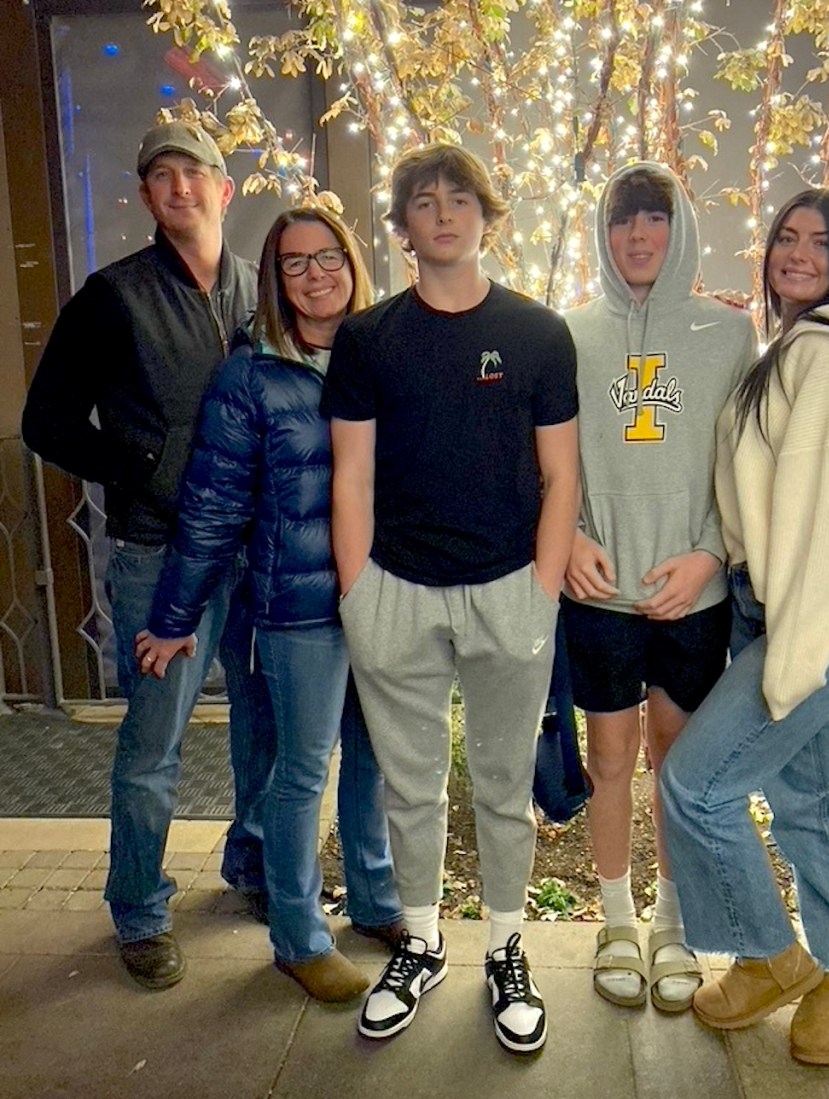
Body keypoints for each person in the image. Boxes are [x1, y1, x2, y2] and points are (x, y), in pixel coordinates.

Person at [323, 143, 579, 1053]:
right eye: (423, 201)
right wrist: (358, 591)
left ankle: (506, 945)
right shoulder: (368, 338)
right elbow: (350, 476)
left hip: (509, 590)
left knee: (507, 787)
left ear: (486, 215)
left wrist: (542, 592)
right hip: (394, 590)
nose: (442, 213)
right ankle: (422, 938)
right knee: (410, 783)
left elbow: (563, 475)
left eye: (459, 198)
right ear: (402, 226)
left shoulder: (542, 334)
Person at [21, 120, 273, 989]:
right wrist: (143, 463)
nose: (179, 188)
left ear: (224, 187)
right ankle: (138, 909)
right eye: (159, 175)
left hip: (257, 550)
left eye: (194, 172)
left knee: (260, 722)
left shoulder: (260, 291)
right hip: (156, 552)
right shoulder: (112, 296)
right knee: (155, 738)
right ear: (146, 198)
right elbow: (44, 422)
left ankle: (254, 865)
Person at [659, 188, 829, 1065]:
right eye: (784, 238)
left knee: (695, 784)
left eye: (818, 242)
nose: (796, 253)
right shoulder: (801, 346)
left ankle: (772, 956)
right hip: (781, 608)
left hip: (816, 616)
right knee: (811, 803)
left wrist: (792, 658)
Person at [135, 206, 384, 1001]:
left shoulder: (382, 353)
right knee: (300, 772)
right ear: (274, 279)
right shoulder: (251, 374)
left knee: (374, 763)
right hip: (297, 609)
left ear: (353, 262)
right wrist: (173, 619)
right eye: (294, 263)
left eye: (329, 258)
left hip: (382, 599)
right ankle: (299, 937)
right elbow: (210, 506)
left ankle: (376, 902)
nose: (316, 275)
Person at [562, 163, 755, 1012]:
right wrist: (564, 536)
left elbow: (747, 467)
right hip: (598, 594)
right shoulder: (566, 333)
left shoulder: (729, 334)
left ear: (681, 229)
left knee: (675, 762)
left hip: (690, 599)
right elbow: (546, 457)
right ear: (602, 235)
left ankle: (672, 925)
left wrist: (710, 554)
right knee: (610, 759)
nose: (638, 236)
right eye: (621, 220)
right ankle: (615, 920)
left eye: (655, 218)